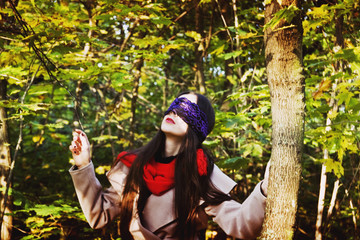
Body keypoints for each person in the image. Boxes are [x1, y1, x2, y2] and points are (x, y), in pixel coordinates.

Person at [69, 91, 269, 240]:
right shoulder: (133, 166)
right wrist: (84, 164)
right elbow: (98, 216)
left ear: (197, 127)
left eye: (186, 111)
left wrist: (266, 188)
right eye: (175, 106)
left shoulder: (201, 173)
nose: (175, 112)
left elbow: (242, 224)